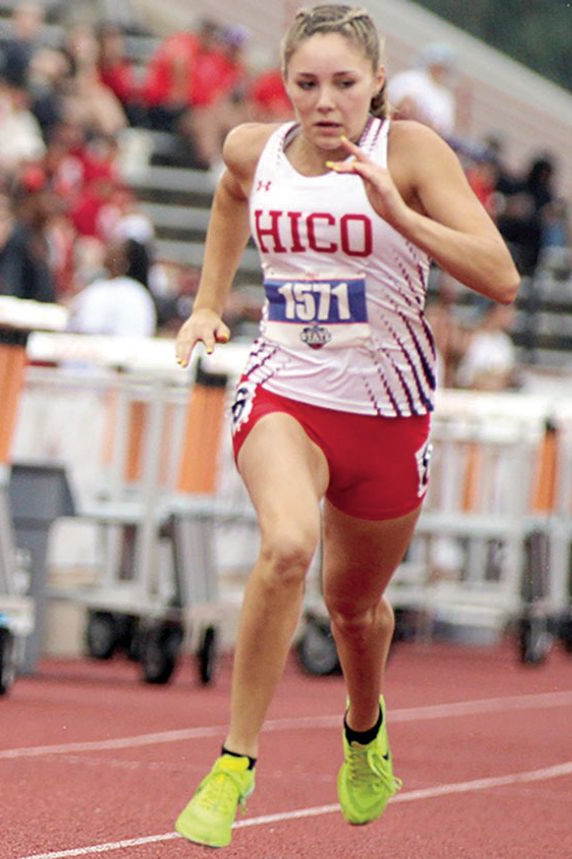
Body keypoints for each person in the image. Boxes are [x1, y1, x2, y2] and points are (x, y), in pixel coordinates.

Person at [171, 5, 519, 849]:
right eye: (306, 84)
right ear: (284, 84)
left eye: (343, 84)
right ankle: (233, 764)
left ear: (377, 84)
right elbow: (228, 196)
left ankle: (365, 729)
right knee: (287, 544)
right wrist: (209, 305)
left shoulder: (411, 152)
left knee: (354, 609)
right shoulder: (255, 149)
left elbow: (500, 277)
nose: (325, 102)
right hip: (284, 390)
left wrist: (401, 213)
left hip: (390, 415)